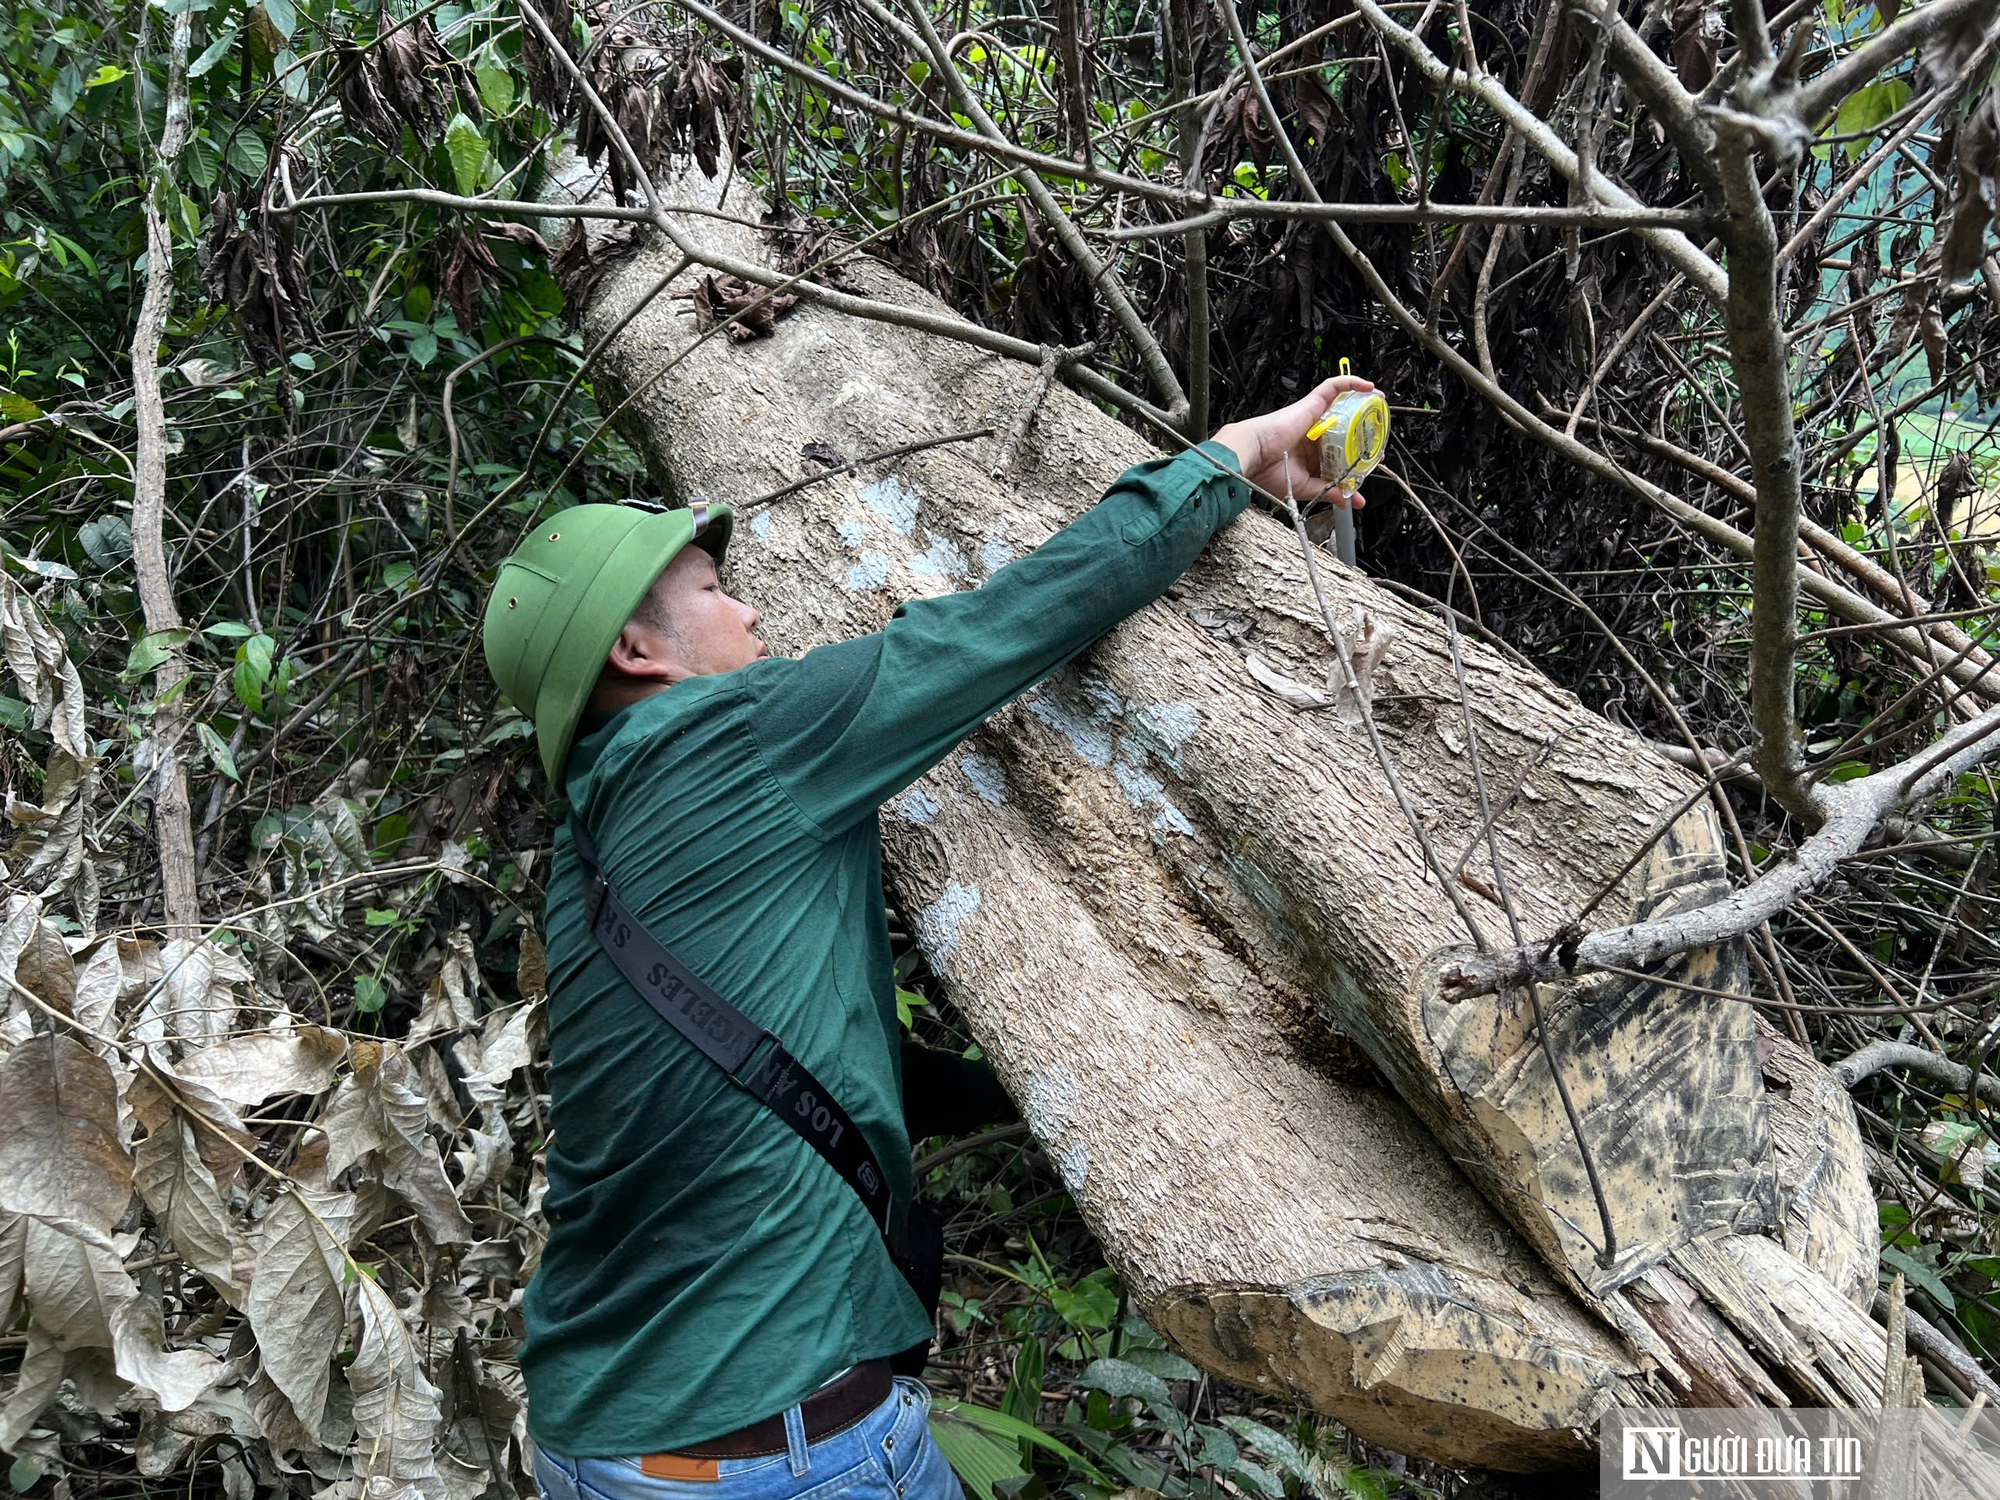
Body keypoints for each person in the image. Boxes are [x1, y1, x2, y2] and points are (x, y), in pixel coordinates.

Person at [480, 373, 1373, 1500]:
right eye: (711, 589)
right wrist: (1235, 453)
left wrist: (1040, 1092)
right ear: (639, 655)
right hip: (769, 1450)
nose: (749, 613)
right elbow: (1004, 627)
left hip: (590, 1437)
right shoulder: (731, 737)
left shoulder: (587, 855)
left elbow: (801, 1054)